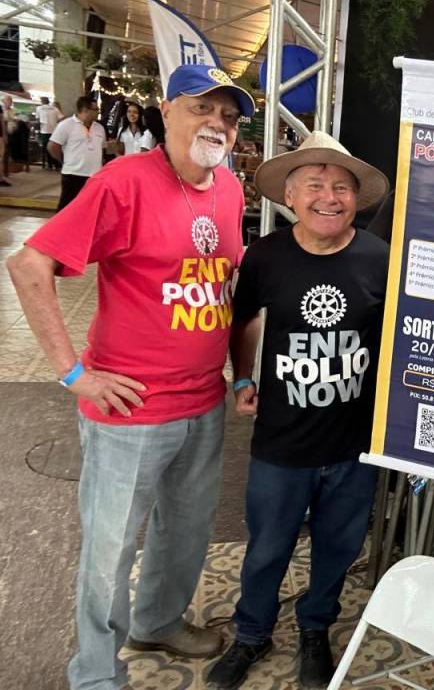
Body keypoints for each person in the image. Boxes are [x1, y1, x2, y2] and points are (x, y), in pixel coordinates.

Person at [6, 64, 256, 690]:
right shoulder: (124, 182)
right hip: (131, 409)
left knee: (186, 531)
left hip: (203, 401)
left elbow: (227, 290)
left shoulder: (229, 189)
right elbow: (29, 265)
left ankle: (158, 622)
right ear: (166, 111)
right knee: (110, 551)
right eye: (202, 108)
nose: (217, 123)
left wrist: (239, 374)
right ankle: (96, 674)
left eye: (228, 116)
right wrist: (72, 373)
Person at [206, 131, 390, 690]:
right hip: (281, 442)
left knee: (338, 548)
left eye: (341, 187)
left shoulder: (379, 258)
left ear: (356, 198)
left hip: (354, 445)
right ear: (290, 195)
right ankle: (251, 633)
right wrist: (243, 376)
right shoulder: (266, 255)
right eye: (314, 185)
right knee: (267, 548)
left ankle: (315, 629)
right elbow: (244, 319)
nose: (328, 198)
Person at [48, 95, 106, 210]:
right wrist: (62, 160)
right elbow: (52, 146)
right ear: (85, 110)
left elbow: (102, 147)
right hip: (73, 174)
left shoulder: (99, 128)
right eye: (95, 109)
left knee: (90, 207)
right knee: (67, 207)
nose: (98, 112)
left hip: (94, 175)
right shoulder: (66, 125)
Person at [37, 96, 61, 169]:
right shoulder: (55, 109)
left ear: (42, 102)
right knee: (54, 148)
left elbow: (38, 119)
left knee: (46, 149)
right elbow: (62, 117)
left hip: (44, 131)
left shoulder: (39, 108)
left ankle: (49, 165)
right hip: (54, 131)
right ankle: (57, 165)